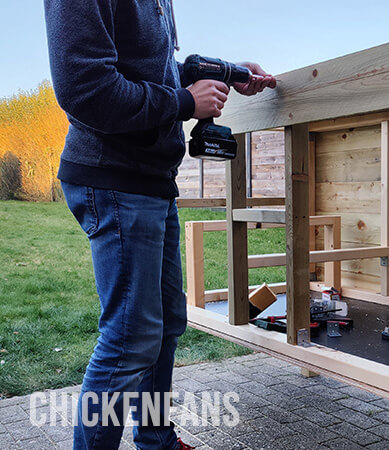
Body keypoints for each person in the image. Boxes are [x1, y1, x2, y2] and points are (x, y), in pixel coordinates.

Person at [44, 0, 276, 448]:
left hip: (152, 182)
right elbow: (86, 87)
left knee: (167, 322)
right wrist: (185, 102)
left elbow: (154, 64)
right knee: (130, 337)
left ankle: (156, 441)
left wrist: (230, 72)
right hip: (114, 180)